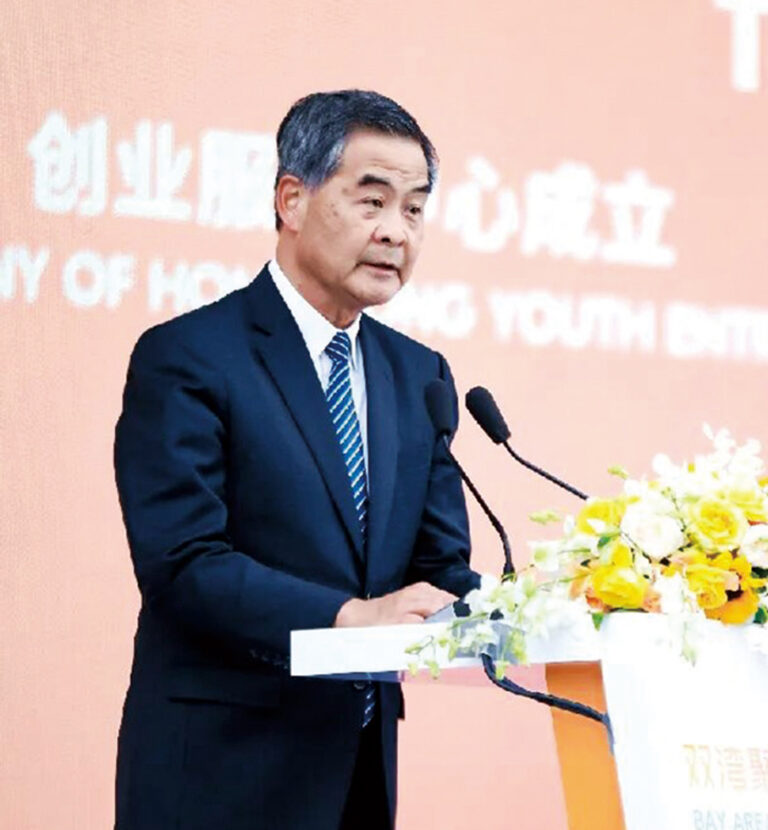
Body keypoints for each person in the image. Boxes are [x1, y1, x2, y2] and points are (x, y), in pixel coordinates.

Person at [113, 89, 480, 830]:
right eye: (372, 201)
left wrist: (541, 608)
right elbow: (183, 563)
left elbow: (440, 568)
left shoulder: (419, 375)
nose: (396, 231)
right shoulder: (189, 356)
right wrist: (349, 616)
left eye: (414, 209)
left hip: (357, 776)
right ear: (292, 199)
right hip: (220, 774)